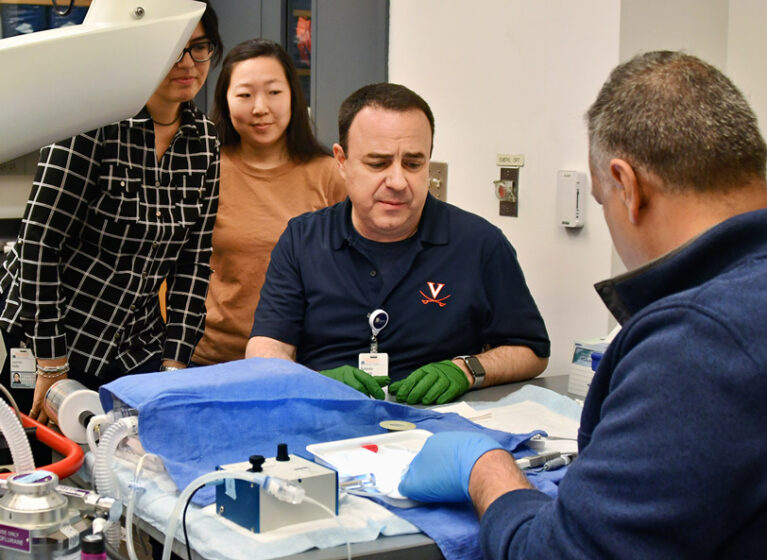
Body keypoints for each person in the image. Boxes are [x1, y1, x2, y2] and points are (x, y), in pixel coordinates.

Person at [398, 51, 767, 557]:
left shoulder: (699, 343)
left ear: (628, 187)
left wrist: (486, 470)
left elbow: (561, 553)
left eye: (601, 200)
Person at [246, 82, 550, 404]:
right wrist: (312, 381)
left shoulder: (479, 244)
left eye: (413, 164)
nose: (397, 181)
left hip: (438, 426)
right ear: (342, 161)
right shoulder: (303, 240)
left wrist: (466, 369)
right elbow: (266, 348)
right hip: (326, 417)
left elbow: (531, 351)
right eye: (378, 163)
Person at [0, 3, 223, 424]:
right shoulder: (91, 121)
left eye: (199, 48)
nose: (188, 64)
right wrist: (51, 361)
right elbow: (39, 243)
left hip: (130, 344)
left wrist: (175, 364)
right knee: (37, 463)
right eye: (174, 49)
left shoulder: (204, 140)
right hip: (47, 333)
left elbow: (193, 264)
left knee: (121, 464)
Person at [191, 39, 345, 366]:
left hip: (305, 363)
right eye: (245, 95)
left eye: (274, 92)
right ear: (225, 101)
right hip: (213, 361)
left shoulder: (330, 174)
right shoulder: (205, 167)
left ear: (293, 95)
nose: (260, 107)